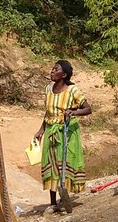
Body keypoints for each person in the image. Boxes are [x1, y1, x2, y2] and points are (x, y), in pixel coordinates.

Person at [33, 60, 91, 212]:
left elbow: (87, 109)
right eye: (52, 68)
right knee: (51, 164)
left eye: (56, 69)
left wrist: (73, 112)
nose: (52, 71)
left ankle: (63, 194)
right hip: (51, 130)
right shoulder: (48, 89)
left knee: (64, 162)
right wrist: (41, 130)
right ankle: (53, 203)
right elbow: (48, 112)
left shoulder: (73, 91)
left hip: (67, 132)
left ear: (64, 75)